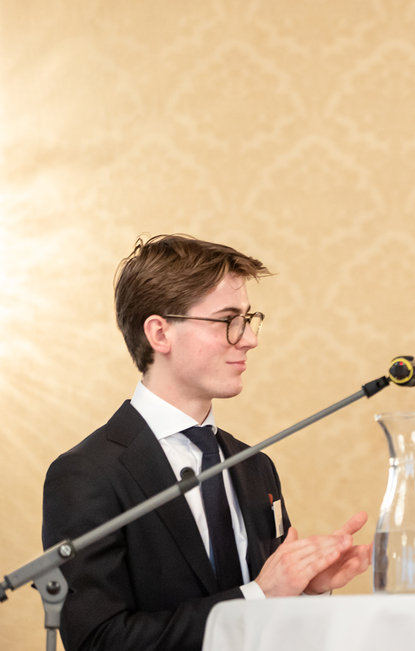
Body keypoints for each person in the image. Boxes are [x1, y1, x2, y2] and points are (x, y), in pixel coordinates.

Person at [42, 235, 372, 651]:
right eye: (228, 320)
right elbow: (98, 640)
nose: (249, 338)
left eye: (248, 319)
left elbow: (270, 624)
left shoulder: (255, 466)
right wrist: (259, 596)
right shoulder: (86, 474)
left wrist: (305, 590)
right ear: (160, 333)